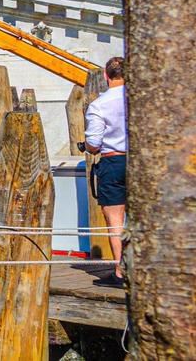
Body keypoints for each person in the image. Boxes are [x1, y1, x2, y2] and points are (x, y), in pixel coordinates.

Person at [82, 56, 127, 286]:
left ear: (106, 76)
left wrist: (87, 147)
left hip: (113, 162)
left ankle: (121, 272)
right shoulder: (139, 99)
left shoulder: (99, 105)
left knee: (115, 221)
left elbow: (94, 143)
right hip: (139, 164)